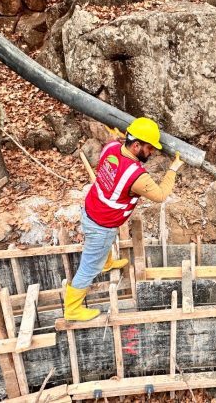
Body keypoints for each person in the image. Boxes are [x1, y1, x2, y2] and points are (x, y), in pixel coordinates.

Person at [65, 117, 184, 321]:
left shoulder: (112, 147)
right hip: (102, 224)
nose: (152, 152)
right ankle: (72, 309)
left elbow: (117, 142)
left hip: (92, 209)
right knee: (88, 267)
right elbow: (161, 195)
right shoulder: (135, 176)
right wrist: (173, 169)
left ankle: (106, 262)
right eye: (149, 148)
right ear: (136, 145)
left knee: (105, 243)